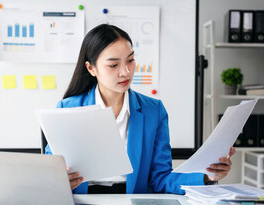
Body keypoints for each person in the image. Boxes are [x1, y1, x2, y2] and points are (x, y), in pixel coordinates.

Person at [46, 24, 235, 195]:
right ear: (91, 68)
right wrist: (59, 179)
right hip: (82, 203)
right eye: (113, 65)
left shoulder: (154, 111)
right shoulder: (68, 109)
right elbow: (50, 172)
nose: (126, 72)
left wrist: (207, 176)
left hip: (132, 204)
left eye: (130, 60)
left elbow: (160, 178)